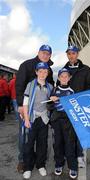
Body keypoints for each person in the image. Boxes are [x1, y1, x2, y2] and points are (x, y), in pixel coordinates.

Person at [16, 44, 54, 173]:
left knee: (41, 139)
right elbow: (20, 85)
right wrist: (20, 105)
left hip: (42, 111)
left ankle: (40, 163)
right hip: (26, 107)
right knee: (25, 136)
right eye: (43, 52)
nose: (45, 55)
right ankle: (24, 161)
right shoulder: (26, 65)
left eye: (48, 54)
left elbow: (51, 89)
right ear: (38, 52)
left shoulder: (50, 70)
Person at [60, 45, 90, 168]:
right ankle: (68, 154)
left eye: (73, 53)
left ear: (77, 54)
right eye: (69, 53)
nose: (71, 55)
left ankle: (80, 156)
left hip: (80, 107)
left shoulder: (85, 69)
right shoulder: (63, 69)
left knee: (80, 133)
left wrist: (83, 101)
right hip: (66, 108)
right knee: (67, 133)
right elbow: (58, 86)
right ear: (67, 55)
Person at [23, 62, 53, 179]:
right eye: (40, 71)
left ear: (48, 73)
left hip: (44, 119)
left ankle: (40, 165)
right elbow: (25, 104)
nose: (42, 74)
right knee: (29, 144)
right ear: (36, 72)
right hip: (31, 118)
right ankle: (28, 167)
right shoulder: (30, 85)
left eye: (45, 71)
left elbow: (53, 102)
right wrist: (26, 119)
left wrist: (54, 99)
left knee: (42, 143)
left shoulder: (50, 86)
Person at [50, 68, 78, 179]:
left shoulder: (72, 91)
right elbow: (49, 106)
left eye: (66, 76)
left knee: (69, 143)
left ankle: (72, 166)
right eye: (62, 76)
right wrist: (51, 100)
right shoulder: (54, 89)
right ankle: (59, 164)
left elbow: (74, 107)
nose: (64, 78)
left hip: (68, 120)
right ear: (59, 78)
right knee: (57, 143)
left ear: (69, 78)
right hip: (56, 120)